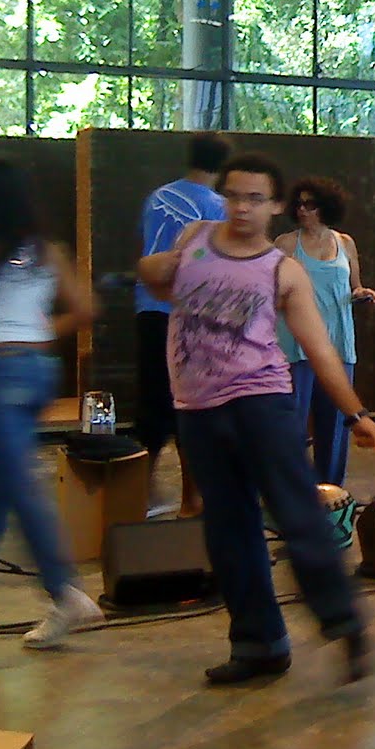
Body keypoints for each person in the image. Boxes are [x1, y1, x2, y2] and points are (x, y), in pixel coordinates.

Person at [138, 152, 375, 686]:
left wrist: (356, 413)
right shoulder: (195, 237)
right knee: (229, 530)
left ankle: (344, 621)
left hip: (262, 402)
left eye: (255, 199)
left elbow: (319, 348)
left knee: (297, 514)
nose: (242, 208)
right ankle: (260, 645)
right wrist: (152, 268)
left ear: (274, 206)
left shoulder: (282, 270)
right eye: (233, 196)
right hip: (198, 408)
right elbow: (160, 284)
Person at [0, 157, 104, 646]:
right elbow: (87, 308)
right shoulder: (46, 249)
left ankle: (64, 589)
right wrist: (37, 333)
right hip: (37, 371)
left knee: (18, 484)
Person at [135, 131, 230, 516]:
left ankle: (138, 493)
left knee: (152, 404)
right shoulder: (218, 207)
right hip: (191, 316)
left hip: (149, 308)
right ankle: (191, 499)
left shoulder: (156, 197)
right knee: (191, 407)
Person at [274, 177, 375, 488]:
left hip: (338, 342)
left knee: (335, 426)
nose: (303, 210)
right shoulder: (286, 245)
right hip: (296, 345)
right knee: (291, 425)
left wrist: (362, 293)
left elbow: (354, 285)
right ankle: (290, 493)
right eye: (299, 204)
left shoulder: (345, 243)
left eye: (310, 205)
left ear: (326, 208)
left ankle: (332, 495)